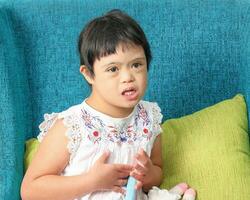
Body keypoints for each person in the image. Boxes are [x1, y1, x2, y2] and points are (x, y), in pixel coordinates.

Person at [21, 9, 196, 200]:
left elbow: (158, 171)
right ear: (89, 74)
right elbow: (31, 190)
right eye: (113, 69)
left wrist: (148, 175)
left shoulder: (148, 119)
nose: (128, 77)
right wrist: (91, 181)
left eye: (137, 65)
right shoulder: (72, 126)